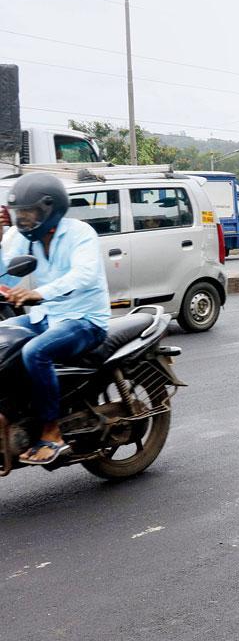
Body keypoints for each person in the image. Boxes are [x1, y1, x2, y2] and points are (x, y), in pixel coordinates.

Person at [0, 173, 110, 465]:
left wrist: (39, 293)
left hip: (85, 319)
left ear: (49, 209)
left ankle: (52, 431)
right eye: (18, 215)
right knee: (3, 340)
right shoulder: (24, 237)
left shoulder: (80, 233)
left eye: (28, 213)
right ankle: (13, 414)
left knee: (35, 351)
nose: (22, 221)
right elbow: (8, 274)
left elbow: (84, 275)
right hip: (46, 316)